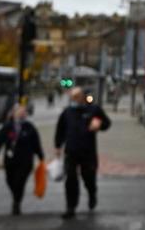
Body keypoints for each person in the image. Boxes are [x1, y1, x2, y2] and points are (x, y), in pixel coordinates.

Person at [54, 87, 111, 219]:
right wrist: (58, 146)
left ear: (83, 97)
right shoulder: (67, 112)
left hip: (88, 152)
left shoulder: (93, 109)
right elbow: (60, 130)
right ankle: (71, 207)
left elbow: (107, 123)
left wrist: (99, 125)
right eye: (73, 97)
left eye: (78, 96)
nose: (75, 99)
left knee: (88, 177)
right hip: (71, 151)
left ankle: (92, 194)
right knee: (71, 180)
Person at [0, 105, 44, 215]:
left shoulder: (30, 127)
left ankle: (16, 202)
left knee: (20, 182)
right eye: (19, 112)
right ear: (13, 113)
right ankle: (16, 196)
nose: (22, 114)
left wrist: (41, 157)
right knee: (10, 181)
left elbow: (36, 143)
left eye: (24, 112)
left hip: (26, 160)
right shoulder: (7, 127)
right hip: (10, 160)